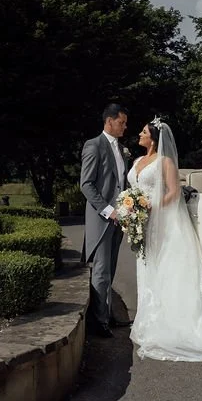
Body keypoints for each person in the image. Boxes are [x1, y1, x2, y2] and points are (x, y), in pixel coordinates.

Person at [128, 118, 202, 361]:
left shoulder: (166, 161)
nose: (138, 135)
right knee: (146, 265)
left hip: (160, 222)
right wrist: (131, 210)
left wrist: (151, 207)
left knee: (164, 268)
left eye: (142, 132)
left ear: (153, 137)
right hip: (142, 223)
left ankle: (173, 322)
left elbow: (173, 192)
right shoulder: (137, 161)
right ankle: (149, 317)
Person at [80, 103, 132, 338]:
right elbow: (86, 185)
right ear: (109, 121)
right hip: (103, 220)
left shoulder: (121, 149)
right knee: (100, 272)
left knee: (109, 270)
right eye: (121, 122)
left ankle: (107, 313)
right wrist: (107, 210)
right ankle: (98, 323)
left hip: (118, 219)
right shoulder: (94, 146)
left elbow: (122, 183)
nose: (125, 127)